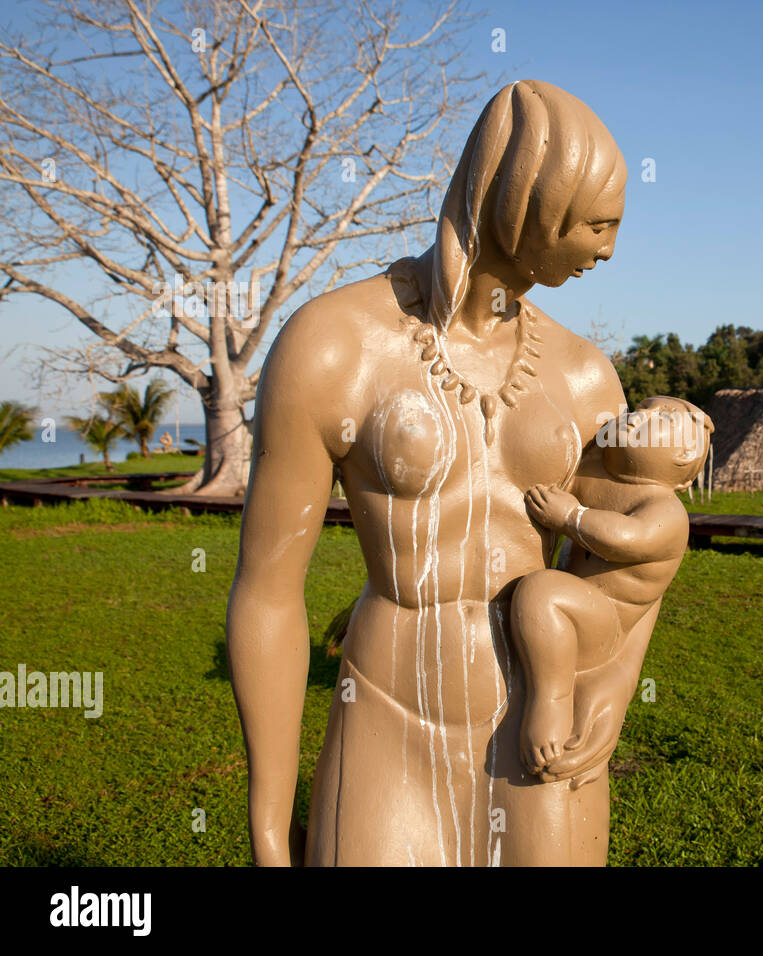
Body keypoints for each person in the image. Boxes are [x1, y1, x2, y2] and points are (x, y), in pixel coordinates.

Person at [227, 79, 636, 866]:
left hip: (539, 717)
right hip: (387, 706)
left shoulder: (586, 378)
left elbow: (638, 562)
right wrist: (270, 827)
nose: (609, 250)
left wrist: (614, 684)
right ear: (526, 206)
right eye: (598, 224)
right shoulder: (333, 345)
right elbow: (268, 593)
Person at [511, 397, 713, 774]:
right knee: (545, 596)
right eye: (642, 406)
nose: (640, 415)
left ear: (685, 455)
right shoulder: (595, 473)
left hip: (603, 626)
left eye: (662, 418)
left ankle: (552, 702)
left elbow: (627, 537)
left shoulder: (665, 510)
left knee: (543, 594)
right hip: (578, 607)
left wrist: (572, 516)